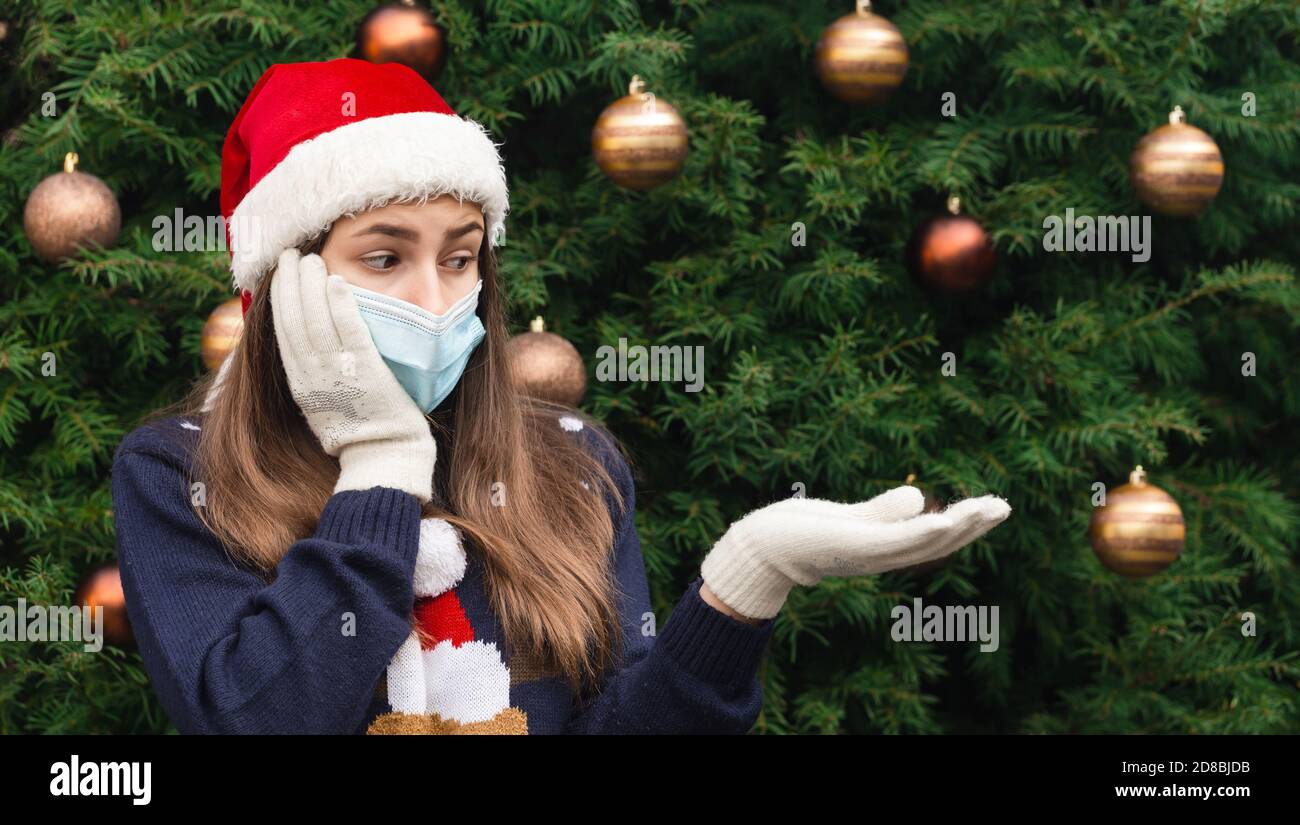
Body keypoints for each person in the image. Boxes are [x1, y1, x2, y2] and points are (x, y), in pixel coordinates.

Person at [110, 58, 1012, 735]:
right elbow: (256, 720)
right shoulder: (181, 469)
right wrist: (380, 472)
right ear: (281, 288)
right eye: (384, 257)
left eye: (460, 255)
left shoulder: (572, 458)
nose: (437, 298)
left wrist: (745, 581)